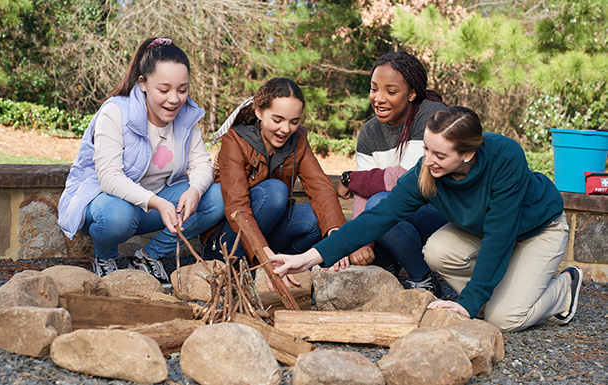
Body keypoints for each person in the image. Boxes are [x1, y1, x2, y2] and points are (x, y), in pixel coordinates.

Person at [272, 106, 582, 332]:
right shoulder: (427, 170)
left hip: (537, 229)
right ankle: (499, 292)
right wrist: (309, 257)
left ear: (467, 155)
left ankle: (564, 289)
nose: (428, 161)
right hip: (484, 231)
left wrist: (469, 303)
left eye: (439, 155)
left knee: (503, 320)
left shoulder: (505, 159)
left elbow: (499, 236)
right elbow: (378, 217)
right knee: (436, 251)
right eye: (426, 149)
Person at [58, 37, 224, 282]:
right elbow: (109, 177)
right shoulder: (115, 112)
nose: (175, 99)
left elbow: (201, 164)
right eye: (164, 90)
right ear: (143, 83)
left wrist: (196, 191)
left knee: (218, 198)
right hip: (107, 204)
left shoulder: (186, 116)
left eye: (182, 89)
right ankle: (104, 257)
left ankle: (147, 257)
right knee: (118, 216)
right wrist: (157, 202)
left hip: (155, 206)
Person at [206, 77, 357, 282]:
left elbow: (320, 187)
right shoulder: (235, 139)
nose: (286, 129)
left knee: (314, 221)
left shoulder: (298, 140)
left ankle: (280, 265)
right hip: (229, 239)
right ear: (259, 111)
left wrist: (336, 236)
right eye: (277, 120)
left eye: (294, 122)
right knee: (275, 191)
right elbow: (236, 206)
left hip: (268, 237)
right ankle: (251, 263)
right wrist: (262, 252)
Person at [336, 51, 448, 296]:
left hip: (440, 215)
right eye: (374, 89)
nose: (379, 98)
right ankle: (390, 267)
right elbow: (361, 193)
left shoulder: (432, 115)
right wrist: (359, 241)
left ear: (412, 93)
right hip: (398, 223)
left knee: (382, 202)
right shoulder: (369, 133)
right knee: (376, 207)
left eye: (391, 91)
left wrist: (352, 179)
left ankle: (423, 278)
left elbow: (406, 178)